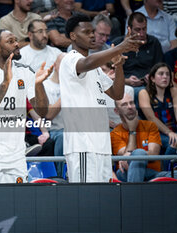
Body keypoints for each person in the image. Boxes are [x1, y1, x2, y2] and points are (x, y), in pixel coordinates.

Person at [59, 13, 143, 183]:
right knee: (84, 198)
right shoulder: (70, 59)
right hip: (82, 145)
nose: (92, 35)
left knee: (101, 199)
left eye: (93, 31)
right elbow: (87, 63)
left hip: (102, 145)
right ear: (73, 36)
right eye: (86, 32)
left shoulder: (96, 68)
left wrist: (118, 66)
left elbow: (117, 94)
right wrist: (120, 47)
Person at [0, 29, 53, 184]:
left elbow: (42, 111)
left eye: (16, 40)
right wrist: (5, 84)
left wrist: (38, 85)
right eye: (10, 41)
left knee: (17, 204)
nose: (16, 44)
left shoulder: (25, 71)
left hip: (16, 156)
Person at [111, 88, 163, 182]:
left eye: (132, 103)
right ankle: (136, 192)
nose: (130, 107)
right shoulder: (115, 133)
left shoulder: (150, 126)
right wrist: (132, 130)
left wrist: (134, 155)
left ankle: (134, 190)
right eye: (124, 105)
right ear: (117, 111)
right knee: (139, 153)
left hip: (151, 174)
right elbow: (126, 160)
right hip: (125, 174)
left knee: (175, 174)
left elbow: (153, 155)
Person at [138, 63, 177, 169]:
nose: (165, 77)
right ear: (152, 78)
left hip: (174, 130)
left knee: (176, 139)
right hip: (155, 133)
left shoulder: (173, 90)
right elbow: (151, 117)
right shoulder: (144, 93)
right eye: (161, 74)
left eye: (167, 74)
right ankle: (166, 172)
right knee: (173, 141)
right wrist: (169, 132)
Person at [113, 12, 163, 91]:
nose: (142, 34)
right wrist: (126, 81)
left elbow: (160, 67)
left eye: (144, 29)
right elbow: (110, 72)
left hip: (149, 84)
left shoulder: (154, 43)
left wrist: (152, 76)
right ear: (129, 29)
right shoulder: (118, 44)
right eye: (137, 30)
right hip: (125, 85)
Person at [43, 53, 66, 176]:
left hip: (75, 128)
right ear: (55, 66)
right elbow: (49, 114)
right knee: (63, 136)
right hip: (55, 130)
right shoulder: (46, 86)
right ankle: (60, 176)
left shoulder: (77, 85)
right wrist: (67, 92)